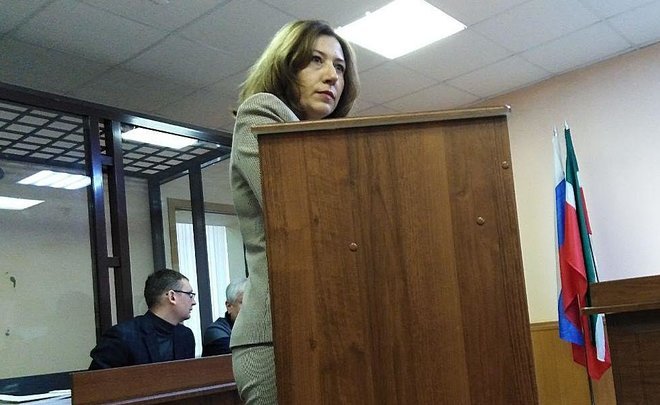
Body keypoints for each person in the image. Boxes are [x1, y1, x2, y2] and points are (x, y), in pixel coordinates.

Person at [229, 20, 359, 404]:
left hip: (325, 328)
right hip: (275, 335)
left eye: (339, 67)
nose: (331, 75)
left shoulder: (330, 143)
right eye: (316, 60)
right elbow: (305, 212)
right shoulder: (261, 112)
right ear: (286, 67)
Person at [88, 269, 196, 369]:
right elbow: (96, 381)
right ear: (172, 296)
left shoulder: (185, 336)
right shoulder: (123, 336)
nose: (194, 302)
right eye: (190, 295)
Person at [202, 277, 247, 356]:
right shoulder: (216, 331)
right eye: (244, 302)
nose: (251, 307)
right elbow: (239, 357)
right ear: (229, 306)